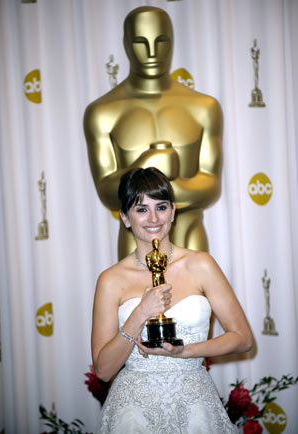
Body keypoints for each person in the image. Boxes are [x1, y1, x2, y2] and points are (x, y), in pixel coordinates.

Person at [91, 167, 253, 434]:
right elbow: (104, 370)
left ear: (173, 210)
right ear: (125, 218)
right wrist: (139, 314)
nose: (153, 218)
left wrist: (184, 352)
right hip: (133, 411)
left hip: (195, 404)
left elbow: (243, 338)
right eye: (141, 209)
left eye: (161, 207)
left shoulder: (201, 264)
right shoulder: (110, 280)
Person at [84, 6, 223, 259]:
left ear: (172, 41)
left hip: (190, 236)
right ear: (126, 44)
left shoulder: (204, 107)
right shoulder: (102, 112)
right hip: (134, 242)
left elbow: (211, 186)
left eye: (160, 41)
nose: (151, 53)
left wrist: (145, 188)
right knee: (138, 299)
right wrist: (146, 164)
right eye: (140, 42)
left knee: (198, 299)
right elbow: (106, 192)